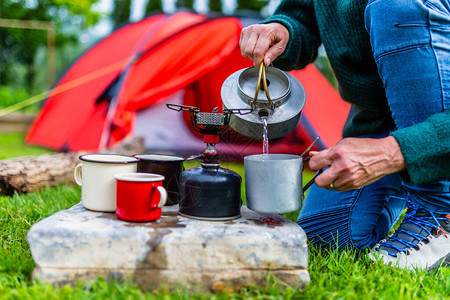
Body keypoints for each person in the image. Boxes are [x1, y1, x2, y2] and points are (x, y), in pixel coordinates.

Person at [239, 0, 450, 271]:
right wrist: (283, 29)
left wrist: (393, 153)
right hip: (375, 121)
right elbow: (304, 12)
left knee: (393, 7)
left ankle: (439, 212)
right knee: (329, 237)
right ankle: (413, 179)